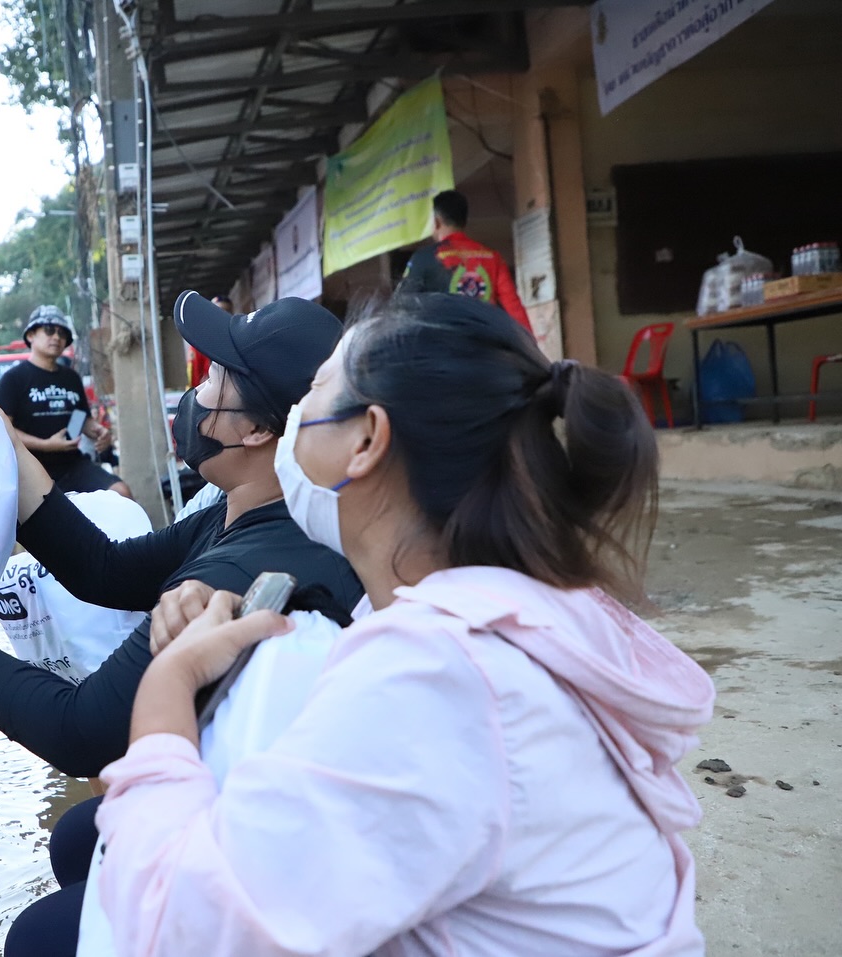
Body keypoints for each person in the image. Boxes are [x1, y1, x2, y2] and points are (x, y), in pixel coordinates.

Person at [92, 293, 713, 955]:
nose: (295, 416)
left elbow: (174, 927)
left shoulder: (441, 672)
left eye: (318, 388)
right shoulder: (520, 607)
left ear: (366, 439)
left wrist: (168, 681)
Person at [0, 290, 364, 957]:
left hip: (271, 858)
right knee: (77, 836)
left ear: (256, 429)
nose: (196, 392)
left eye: (215, 377)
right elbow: (103, 568)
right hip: (251, 797)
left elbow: (82, 730)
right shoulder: (239, 509)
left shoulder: (245, 564)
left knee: (35, 935)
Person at [0, 305, 130, 497]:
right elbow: (3, 429)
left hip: (73, 464)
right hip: (31, 468)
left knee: (120, 493)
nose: (57, 337)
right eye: (49, 330)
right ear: (31, 335)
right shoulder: (14, 378)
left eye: (62, 333)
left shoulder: (71, 378)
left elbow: (79, 419)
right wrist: (45, 445)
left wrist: (98, 432)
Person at [399, 190, 533, 334]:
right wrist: (531, 345)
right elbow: (513, 307)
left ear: (436, 221)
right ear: (464, 221)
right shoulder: (492, 257)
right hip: (487, 344)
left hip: (444, 346)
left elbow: (402, 306)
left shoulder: (423, 258)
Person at [184, 295, 227, 389]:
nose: (222, 315)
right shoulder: (200, 342)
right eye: (217, 311)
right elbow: (194, 374)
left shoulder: (238, 336)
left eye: (226, 311)